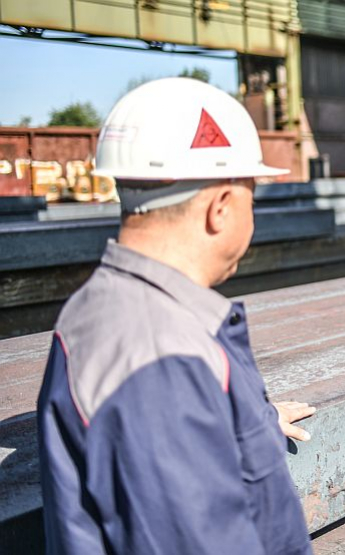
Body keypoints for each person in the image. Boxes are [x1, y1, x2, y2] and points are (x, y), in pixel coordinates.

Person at [36, 78, 315, 554]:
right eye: (252, 192)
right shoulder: (157, 362)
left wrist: (249, 422)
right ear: (221, 208)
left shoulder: (116, 314)